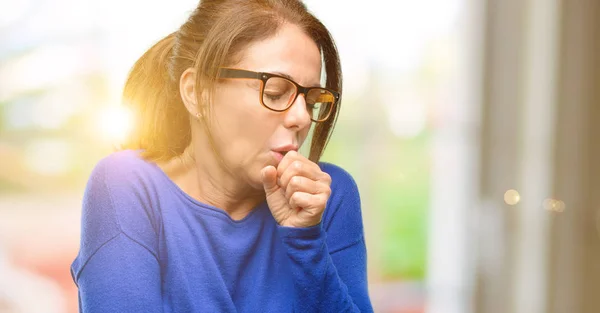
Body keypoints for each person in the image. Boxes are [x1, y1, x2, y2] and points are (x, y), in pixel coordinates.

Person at [71, 0, 373, 312]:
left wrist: (306, 241)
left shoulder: (330, 196)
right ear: (196, 92)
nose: (302, 118)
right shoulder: (126, 184)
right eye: (275, 92)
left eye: (311, 100)